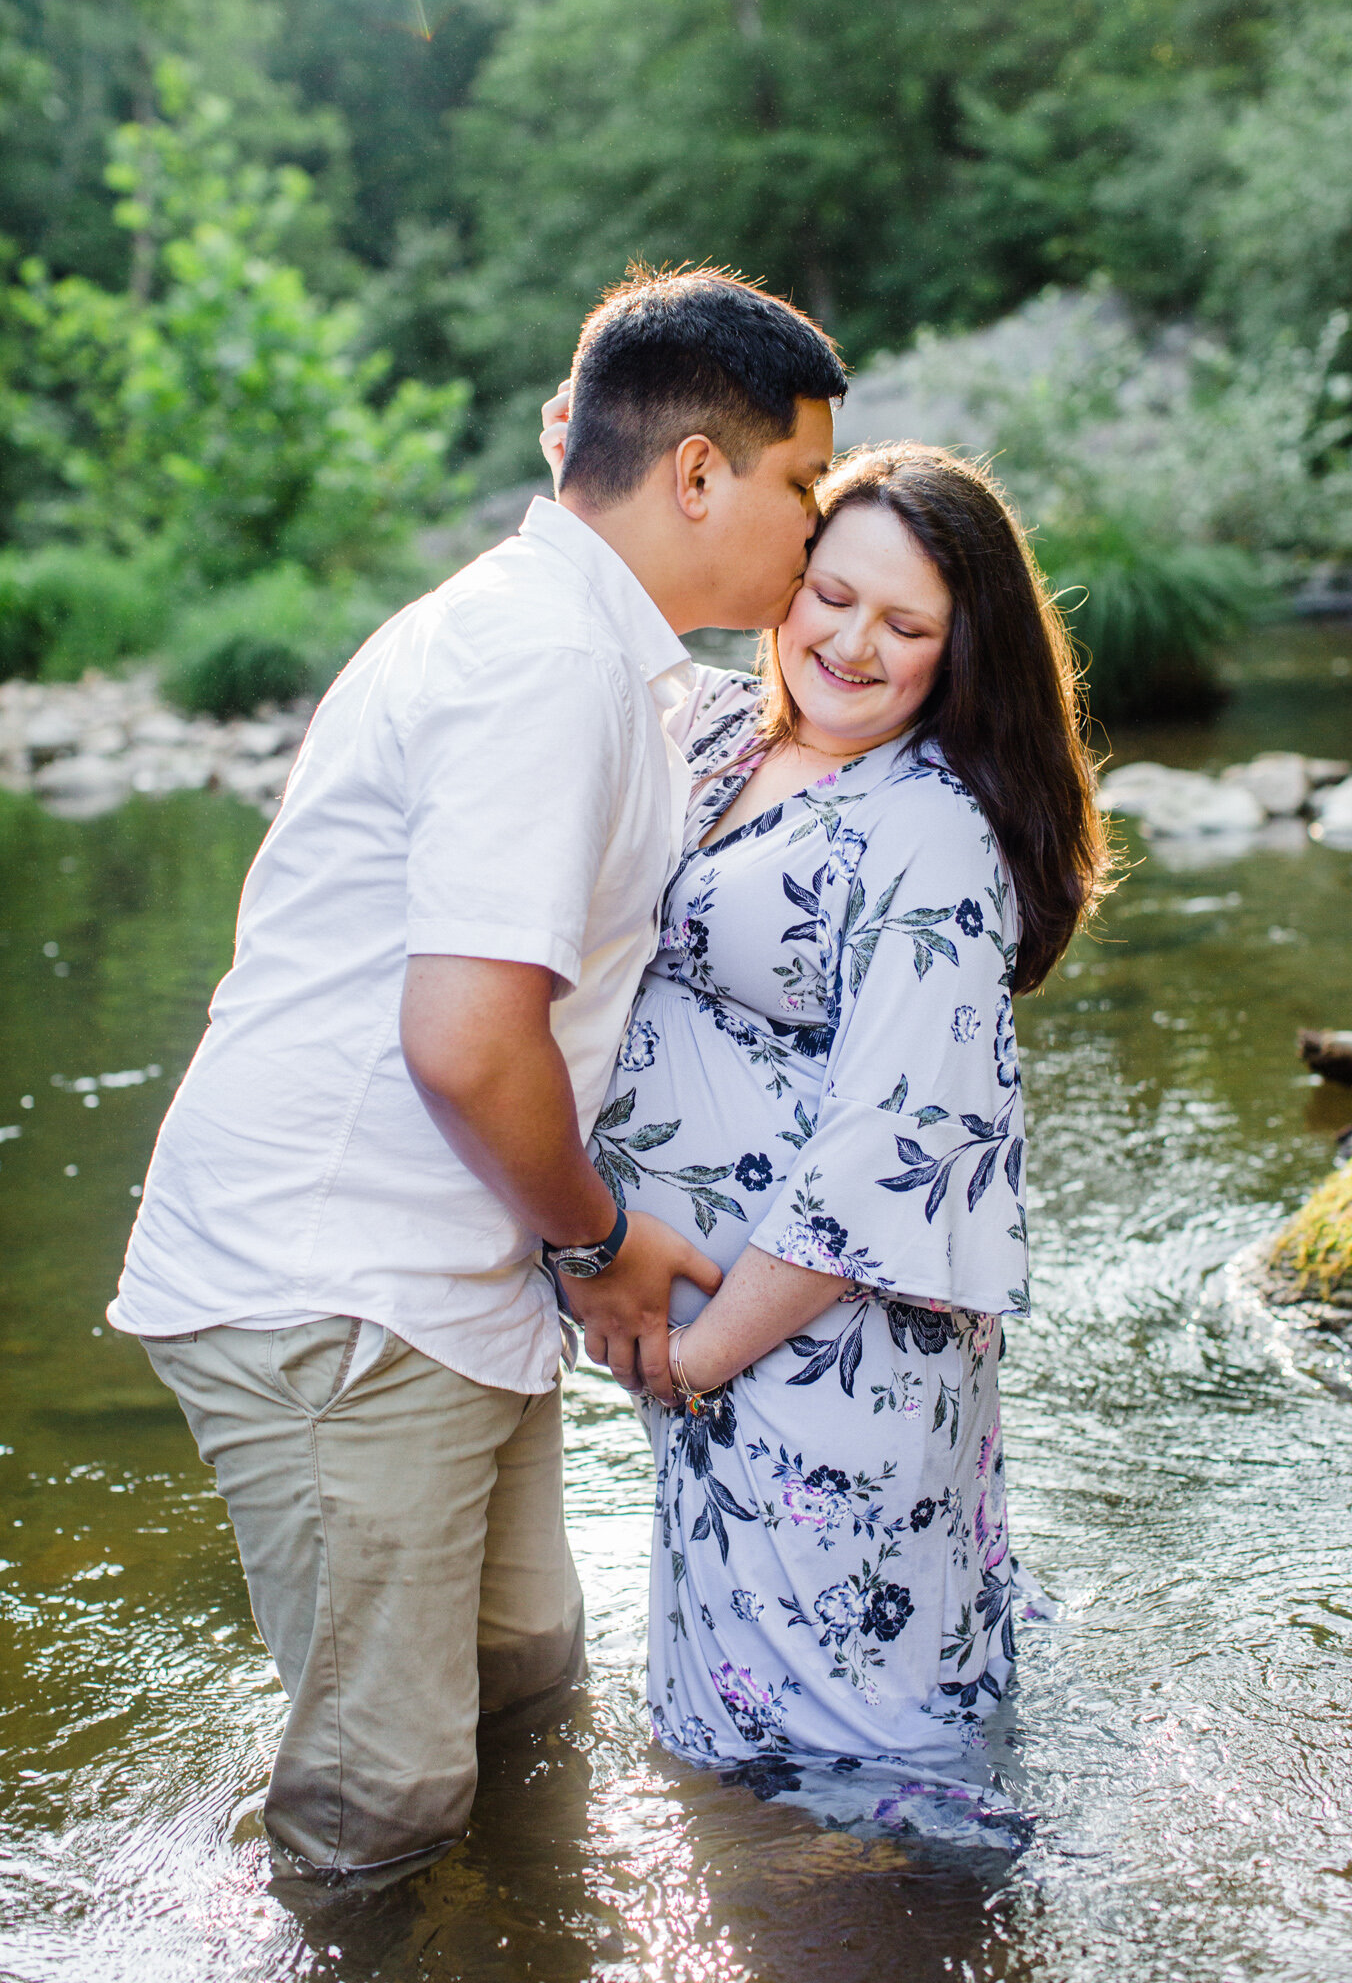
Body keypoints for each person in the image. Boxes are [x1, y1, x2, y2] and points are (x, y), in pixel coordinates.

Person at [106, 266, 846, 1883]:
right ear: (700, 471)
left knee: (521, 1676)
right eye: (802, 482)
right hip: (333, 1282)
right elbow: (465, 1037)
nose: (815, 526)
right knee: (380, 1792)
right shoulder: (544, 664)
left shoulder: (586, 645)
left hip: (447, 1272)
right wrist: (598, 1244)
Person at [540, 406, 1111, 1832]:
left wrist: (695, 1359)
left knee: (841, 1761)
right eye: (831, 593)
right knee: (735, 1733)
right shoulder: (726, 734)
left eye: (903, 626)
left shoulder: (931, 829)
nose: (850, 645)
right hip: (711, 1353)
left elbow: (897, 1147)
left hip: (814, 1353)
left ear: (960, 651)